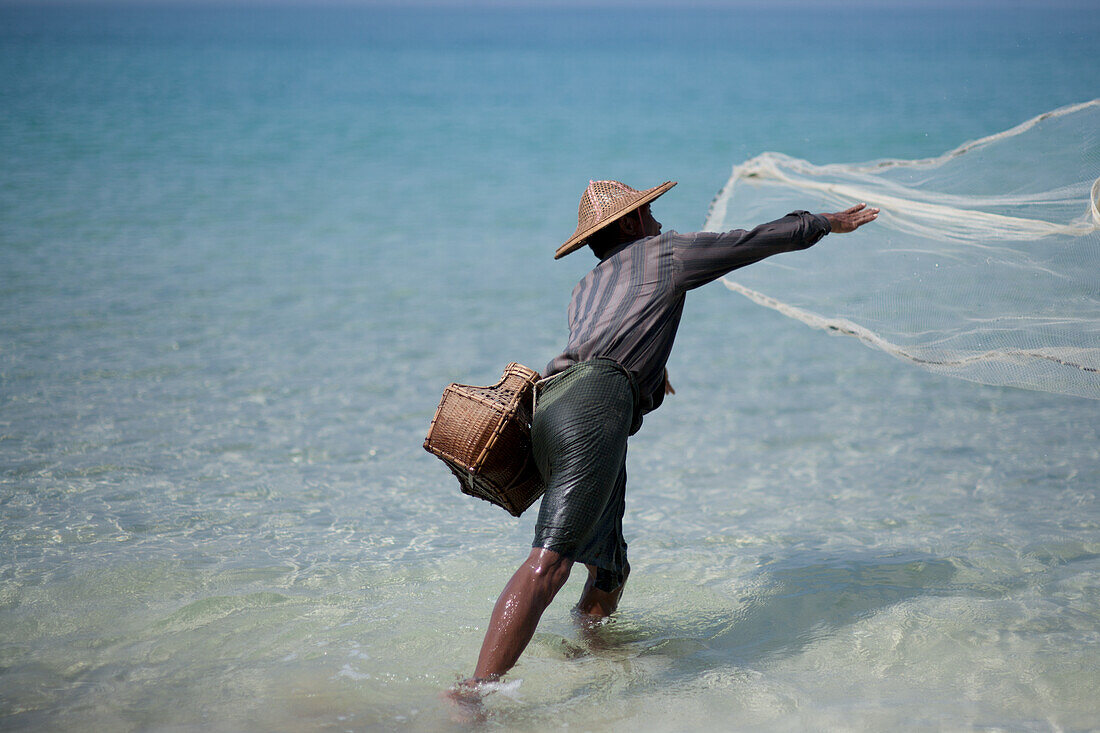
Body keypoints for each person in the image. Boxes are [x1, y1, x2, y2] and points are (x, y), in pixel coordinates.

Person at [452, 179, 878, 699]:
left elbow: (605, 342)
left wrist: (651, 374)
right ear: (631, 224)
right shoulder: (663, 250)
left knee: (609, 569)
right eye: (649, 213)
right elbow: (752, 240)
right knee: (550, 561)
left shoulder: (584, 288)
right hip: (595, 407)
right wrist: (826, 223)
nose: (658, 220)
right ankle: (474, 693)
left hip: (553, 405)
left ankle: (589, 659)